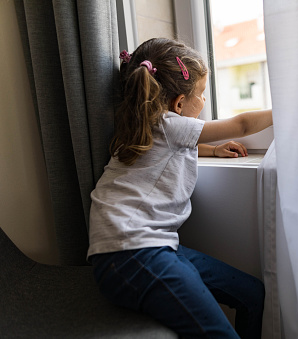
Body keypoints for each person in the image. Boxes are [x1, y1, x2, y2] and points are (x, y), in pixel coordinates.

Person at [87, 38, 272, 338]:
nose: (203, 102)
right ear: (178, 104)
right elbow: (241, 125)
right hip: (131, 254)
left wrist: (214, 150)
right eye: (200, 95)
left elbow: (168, 152)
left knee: (252, 295)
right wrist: (286, 111)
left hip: (138, 250)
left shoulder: (144, 126)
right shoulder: (169, 125)